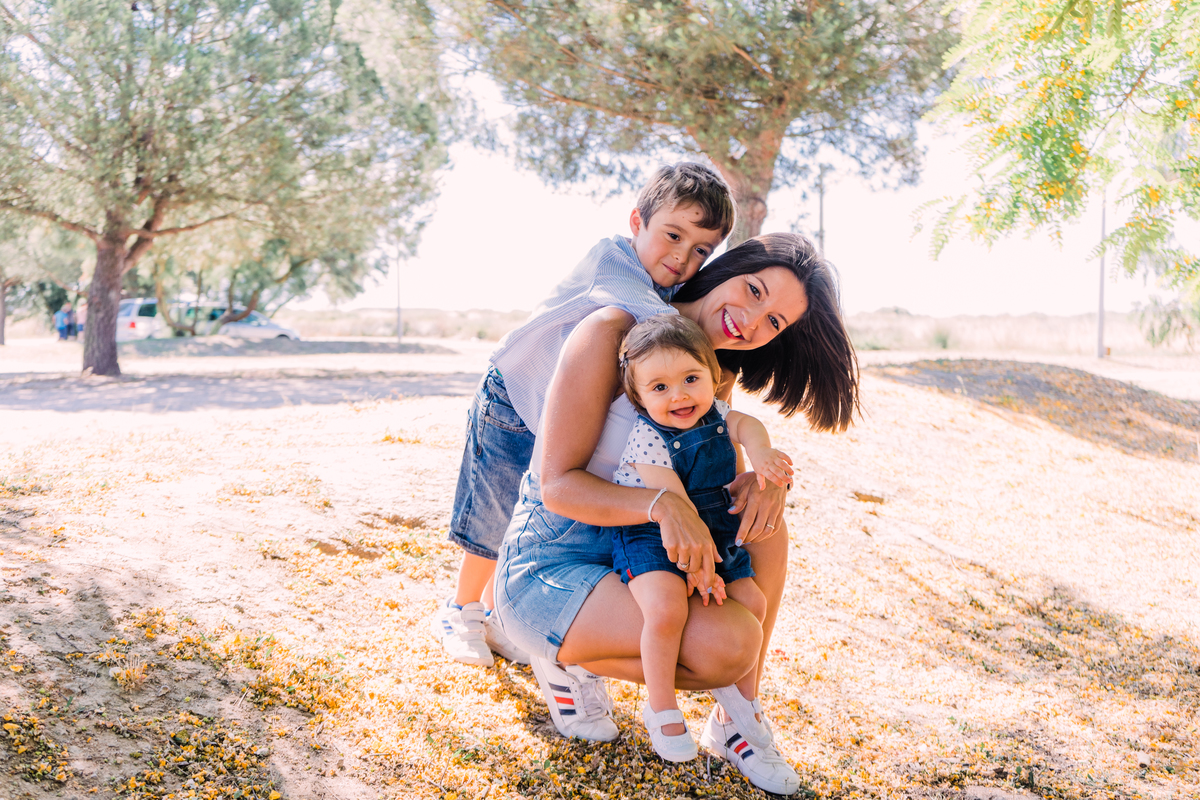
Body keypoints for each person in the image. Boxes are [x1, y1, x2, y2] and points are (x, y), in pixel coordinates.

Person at [493, 233, 860, 794]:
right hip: (554, 562)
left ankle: (737, 720)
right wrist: (663, 504)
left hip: (635, 559)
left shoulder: (718, 374)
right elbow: (557, 487)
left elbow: (706, 484)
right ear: (726, 270)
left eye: (776, 322)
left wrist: (763, 481)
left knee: (762, 523)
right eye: (754, 290)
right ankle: (566, 658)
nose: (752, 320)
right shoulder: (613, 333)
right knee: (728, 647)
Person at [430, 163, 736, 668]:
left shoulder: (661, 283)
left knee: (528, 517)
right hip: (515, 392)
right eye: (673, 236)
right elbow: (661, 327)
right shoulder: (612, 263)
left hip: (558, 409)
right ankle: (461, 608)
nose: (682, 257)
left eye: (701, 250)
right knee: (493, 509)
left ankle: (492, 614)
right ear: (637, 222)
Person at [605, 315, 793, 762]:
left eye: (691, 378)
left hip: (710, 531)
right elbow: (676, 514)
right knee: (666, 609)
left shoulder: (717, 414)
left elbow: (747, 426)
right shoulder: (647, 437)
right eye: (660, 388)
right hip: (653, 534)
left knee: (754, 604)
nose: (680, 395)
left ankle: (739, 704)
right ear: (639, 397)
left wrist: (762, 452)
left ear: (714, 376)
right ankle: (661, 705)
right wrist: (701, 572)